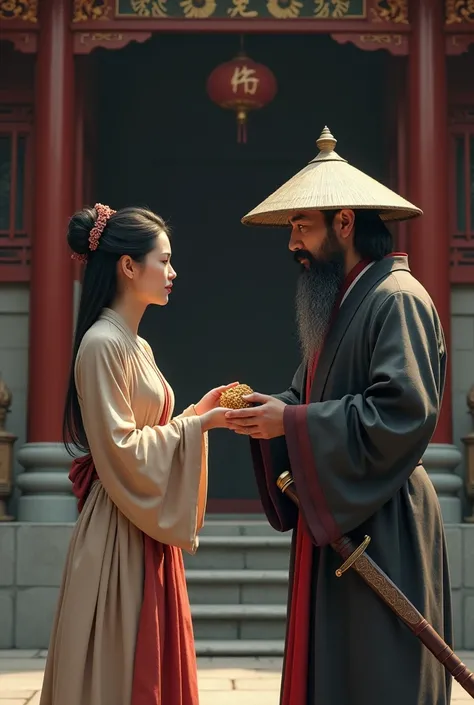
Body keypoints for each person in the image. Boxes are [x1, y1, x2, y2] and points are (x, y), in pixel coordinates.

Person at [225, 127, 453, 705]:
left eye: (302, 226)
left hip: (386, 518)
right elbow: (306, 402)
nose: (292, 242)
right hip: (344, 518)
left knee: (382, 676)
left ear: (345, 223)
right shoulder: (339, 303)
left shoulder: (396, 298)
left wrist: (293, 425)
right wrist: (264, 415)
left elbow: (400, 413)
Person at [40, 204, 233, 705]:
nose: (173, 273)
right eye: (164, 261)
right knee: (120, 667)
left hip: (140, 517)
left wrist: (196, 413)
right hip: (119, 529)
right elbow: (119, 449)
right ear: (128, 266)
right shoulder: (103, 344)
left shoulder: (135, 346)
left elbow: (140, 433)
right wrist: (196, 426)